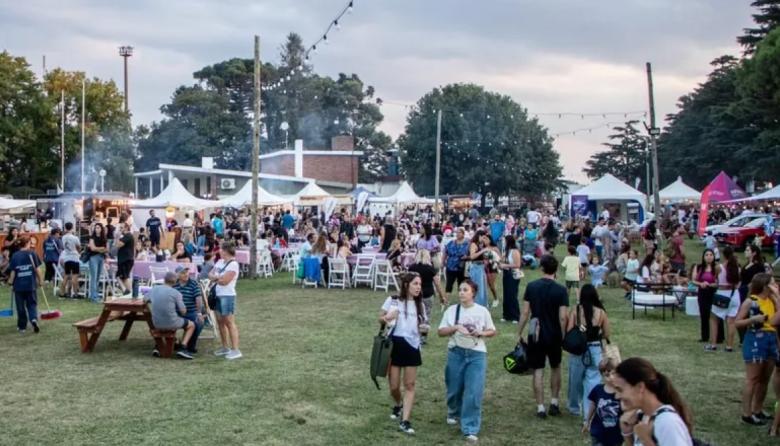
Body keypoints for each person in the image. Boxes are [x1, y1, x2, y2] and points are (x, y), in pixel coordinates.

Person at [438, 279, 497, 443]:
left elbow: (492, 330)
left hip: (476, 354)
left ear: (473, 293)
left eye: (465, 290)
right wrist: (455, 327)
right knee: (454, 388)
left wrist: (481, 333)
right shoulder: (452, 310)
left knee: (473, 391)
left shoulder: (482, 311)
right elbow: (441, 332)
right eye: (460, 290)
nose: (461, 293)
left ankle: (470, 427)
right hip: (456, 352)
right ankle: (453, 411)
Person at [517, 254, 569, 418]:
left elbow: (525, 312)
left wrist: (519, 331)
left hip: (536, 332)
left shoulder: (532, 287)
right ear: (556, 270)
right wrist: (563, 335)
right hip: (554, 333)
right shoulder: (561, 290)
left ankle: (540, 407)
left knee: (538, 369)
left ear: (542, 269)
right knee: (556, 367)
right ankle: (554, 402)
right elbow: (563, 317)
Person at [379, 272, 425, 435]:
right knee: (394, 386)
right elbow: (380, 319)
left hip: (412, 346)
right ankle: (398, 404)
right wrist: (386, 318)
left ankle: (405, 420)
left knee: (410, 385)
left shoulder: (420, 305)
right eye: (415, 284)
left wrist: (424, 330)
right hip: (395, 345)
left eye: (420, 284)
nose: (419, 287)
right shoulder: (393, 300)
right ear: (406, 285)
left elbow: (422, 326)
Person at [615, 357, 694, 445]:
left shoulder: (667, 422)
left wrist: (646, 440)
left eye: (620, 390)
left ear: (640, 387)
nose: (617, 396)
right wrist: (627, 432)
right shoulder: (642, 417)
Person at [735, 273, 778, 426]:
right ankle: (746, 414)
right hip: (755, 338)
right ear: (765, 285)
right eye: (773, 283)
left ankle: (757, 409)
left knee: (764, 379)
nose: (775, 285)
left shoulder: (773, 300)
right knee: (752, 378)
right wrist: (752, 319)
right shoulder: (751, 301)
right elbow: (737, 323)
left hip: (771, 339)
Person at [567, 284, 611, 419]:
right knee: (593, 380)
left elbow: (569, 330)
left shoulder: (576, 310)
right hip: (595, 348)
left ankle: (574, 407)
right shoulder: (601, 312)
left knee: (575, 379)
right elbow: (607, 333)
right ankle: (589, 411)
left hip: (578, 349)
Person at [145, 272, 196, 360]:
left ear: (164, 279)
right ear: (176, 282)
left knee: (169, 325)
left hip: (156, 323)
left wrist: (152, 310)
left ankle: (158, 346)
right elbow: (183, 311)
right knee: (191, 325)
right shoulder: (176, 293)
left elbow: (145, 300)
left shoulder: (154, 289)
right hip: (171, 322)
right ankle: (183, 348)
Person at [210, 242, 242, 360]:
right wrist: (218, 278)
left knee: (229, 322)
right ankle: (225, 347)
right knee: (220, 322)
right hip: (217, 295)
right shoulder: (219, 262)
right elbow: (210, 274)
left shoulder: (233, 264)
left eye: (221, 249)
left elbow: (225, 281)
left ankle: (235, 349)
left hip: (227, 296)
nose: (219, 251)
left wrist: (216, 278)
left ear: (225, 251)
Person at [5, 236, 43, 333]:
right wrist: (41, 280)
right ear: (27, 243)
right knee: (32, 304)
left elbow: (13, 271)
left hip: (19, 286)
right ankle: (33, 319)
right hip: (30, 284)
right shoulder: (32, 253)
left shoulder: (15, 255)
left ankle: (22, 327)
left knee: (20, 306)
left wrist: (10, 282)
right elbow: (37, 269)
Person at [408, 249, 444, 344]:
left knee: (414, 314)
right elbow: (437, 283)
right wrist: (441, 296)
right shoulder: (430, 268)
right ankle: (423, 337)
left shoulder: (412, 267)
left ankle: (413, 332)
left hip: (415, 294)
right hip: (428, 294)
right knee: (425, 315)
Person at [583, 358, 623, 446]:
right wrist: (587, 420)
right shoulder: (598, 390)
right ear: (602, 376)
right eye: (607, 375)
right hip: (598, 432)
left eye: (614, 374)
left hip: (616, 435)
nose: (611, 377)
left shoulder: (622, 392)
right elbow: (593, 404)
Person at [710, 246, 741, 352]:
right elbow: (738, 283)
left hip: (722, 293)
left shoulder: (719, 267)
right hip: (734, 294)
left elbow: (716, 281)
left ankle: (713, 344)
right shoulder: (737, 268)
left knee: (714, 319)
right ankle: (729, 346)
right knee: (731, 321)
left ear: (723, 255)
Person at [692, 249, 720, 348]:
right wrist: (701, 283)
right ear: (703, 256)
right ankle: (705, 336)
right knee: (704, 314)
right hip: (702, 292)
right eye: (707, 255)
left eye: (711, 255)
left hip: (713, 292)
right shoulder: (699, 267)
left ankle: (719, 337)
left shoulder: (716, 267)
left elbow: (719, 281)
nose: (709, 256)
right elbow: (694, 280)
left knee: (715, 314)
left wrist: (712, 284)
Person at [173, 265, 203, 354]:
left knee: (198, 323)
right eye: (183, 273)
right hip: (176, 312)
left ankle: (190, 345)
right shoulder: (173, 284)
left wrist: (199, 313)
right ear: (177, 275)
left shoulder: (193, 283)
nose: (186, 274)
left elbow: (198, 299)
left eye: (187, 272)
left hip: (191, 311)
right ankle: (174, 343)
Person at [499, 234, 522, 323]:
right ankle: (506, 315)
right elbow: (501, 260)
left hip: (513, 274)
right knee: (506, 295)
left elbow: (517, 265)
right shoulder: (506, 251)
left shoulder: (515, 251)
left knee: (512, 295)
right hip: (506, 274)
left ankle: (515, 316)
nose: (503, 243)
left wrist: (505, 265)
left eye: (505, 241)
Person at [443, 227, 470, 299]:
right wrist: (443, 262)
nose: (457, 234)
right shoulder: (451, 243)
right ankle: (446, 300)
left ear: (463, 234)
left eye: (459, 232)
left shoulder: (467, 243)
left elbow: (472, 254)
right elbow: (445, 252)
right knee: (449, 284)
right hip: (450, 266)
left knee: (461, 284)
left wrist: (467, 257)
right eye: (456, 232)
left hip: (462, 267)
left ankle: (462, 299)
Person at [58, 222, 81, 298]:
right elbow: (78, 247)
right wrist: (78, 252)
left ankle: (62, 293)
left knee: (66, 276)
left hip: (67, 257)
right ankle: (75, 293)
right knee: (75, 276)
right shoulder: (75, 238)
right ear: (72, 228)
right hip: (74, 257)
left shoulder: (63, 237)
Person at [86, 223, 109, 303]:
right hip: (93, 258)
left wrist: (99, 249)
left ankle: (95, 294)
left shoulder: (104, 238)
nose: (97, 229)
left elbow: (106, 249)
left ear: (101, 229)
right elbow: (92, 248)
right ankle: (93, 297)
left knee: (98, 277)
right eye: (96, 228)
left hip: (101, 257)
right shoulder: (92, 237)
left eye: (98, 227)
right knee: (94, 277)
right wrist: (101, 248)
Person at [466, 230, 489, 307]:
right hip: (475, 268)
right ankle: (477, 305)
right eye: (483, 237)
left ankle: (483, 305)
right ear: (479, 236)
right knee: (478, 288)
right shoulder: (473, 244)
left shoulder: (481, 245)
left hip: (481, 267)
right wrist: (482, 251)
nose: (484, 239)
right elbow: (472, 257)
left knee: (483, 289)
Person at [115, 223, 135, 295]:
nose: (120, 229)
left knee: (125, 277)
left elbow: (118, 245)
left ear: (126, 228)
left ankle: (130, 292)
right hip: (123, 259)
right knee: (119, 276)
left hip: (126, 259)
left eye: (121, 227)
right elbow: (116, 245)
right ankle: (126, 291)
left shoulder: (128, 236)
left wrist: (117, 236)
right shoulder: (124, 237)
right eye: (120, 228)